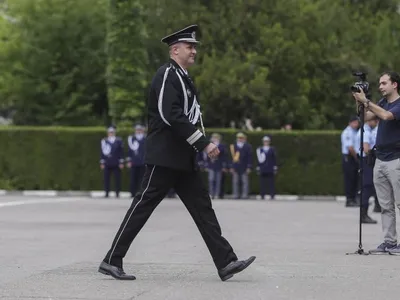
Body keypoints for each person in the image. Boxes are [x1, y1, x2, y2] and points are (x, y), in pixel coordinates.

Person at [98, 24, 255, 280]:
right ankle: (111, 259)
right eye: (189, 47)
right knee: (142, 206)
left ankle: (226, 262)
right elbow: (170, 114)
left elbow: (189, 116)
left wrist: (197, 145)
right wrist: (203, 142)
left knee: (203, 208)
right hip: (165, 157)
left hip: (182, 159)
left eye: (194, 47)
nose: (194, 51)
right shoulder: (166, 75)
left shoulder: (183, 77)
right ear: (174, 50)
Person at [352, 71, 400, 254]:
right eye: (379, 83)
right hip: (380, 159)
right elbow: (365, 119)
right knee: (385, 205)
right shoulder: (382, 103)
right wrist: (359, 102)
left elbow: (387, 116)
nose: (380, 86)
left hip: (396, 159)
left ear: (394, 84)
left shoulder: (397, 104)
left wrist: (366, 101)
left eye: (384, 83)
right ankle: (389, 241)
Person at [354, 118, 379, 224]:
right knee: (367, 186)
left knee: (367, 186)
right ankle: (363, 214)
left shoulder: (366, 130)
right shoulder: (365, 131)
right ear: (370, 120)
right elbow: (366, 148)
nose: (376, 123)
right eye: (375, 121)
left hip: (365, 160)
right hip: (366, 160)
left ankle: (364, 213)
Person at [99, 126, 124, 198]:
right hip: (107, 162)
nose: (111, 133)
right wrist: (102, 162)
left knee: (117, 178)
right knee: (106, 179)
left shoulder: (118, 140)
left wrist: (121, 162)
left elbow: (121, 152)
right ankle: (106, 192)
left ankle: (117, 193)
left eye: (112, 132)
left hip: (116, 162)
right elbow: (102, 153)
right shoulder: (104, 140)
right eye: (110, 132)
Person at [340, 116, 360, 207]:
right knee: (350, 179)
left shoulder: (355, 131)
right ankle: (349, 200)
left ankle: (354, 198)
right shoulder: (347, 132)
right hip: (349, 157)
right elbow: (350, 147)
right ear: (350, 122)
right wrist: (356, 157)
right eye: (355, 122)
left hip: (353, 156)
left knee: (355, 179)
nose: (357, 124)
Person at [229, 132, 253, 199]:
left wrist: (249, 167)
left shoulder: (248, 146)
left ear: (244, 138)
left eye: (241, 138)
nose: (240, 139)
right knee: (235, 182)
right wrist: (231, 167)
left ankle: (244, 195)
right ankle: (235, 195)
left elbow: (250, 157)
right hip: (235, 167)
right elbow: (230, 157)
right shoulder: (233, 146)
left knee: (245, 182)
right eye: (239, 138)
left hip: (244, 166)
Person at [126, 124, 146, 197]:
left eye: (140, 130)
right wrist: (129, 161)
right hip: (134, 162)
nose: (138, 131)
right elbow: (129, 151)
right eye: (137, 130)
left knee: (142, 179)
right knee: (133, 178)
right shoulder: (131, 138)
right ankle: (132, 193)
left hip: (142, 162)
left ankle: (141, 193)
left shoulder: (145, 138)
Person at [256, 136, 278, 200]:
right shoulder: (260, 149)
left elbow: (274, 159)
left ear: (269, 142)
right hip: (263, 168)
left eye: (267, 141)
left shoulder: (272, 149)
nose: (266, 142)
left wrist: (275, 167)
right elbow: (258, 159)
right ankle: (262, 195)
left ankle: (272, 195)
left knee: (271, 183)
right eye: (265, 141)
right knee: (262, 183)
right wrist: (258, 167)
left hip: (270, 168)